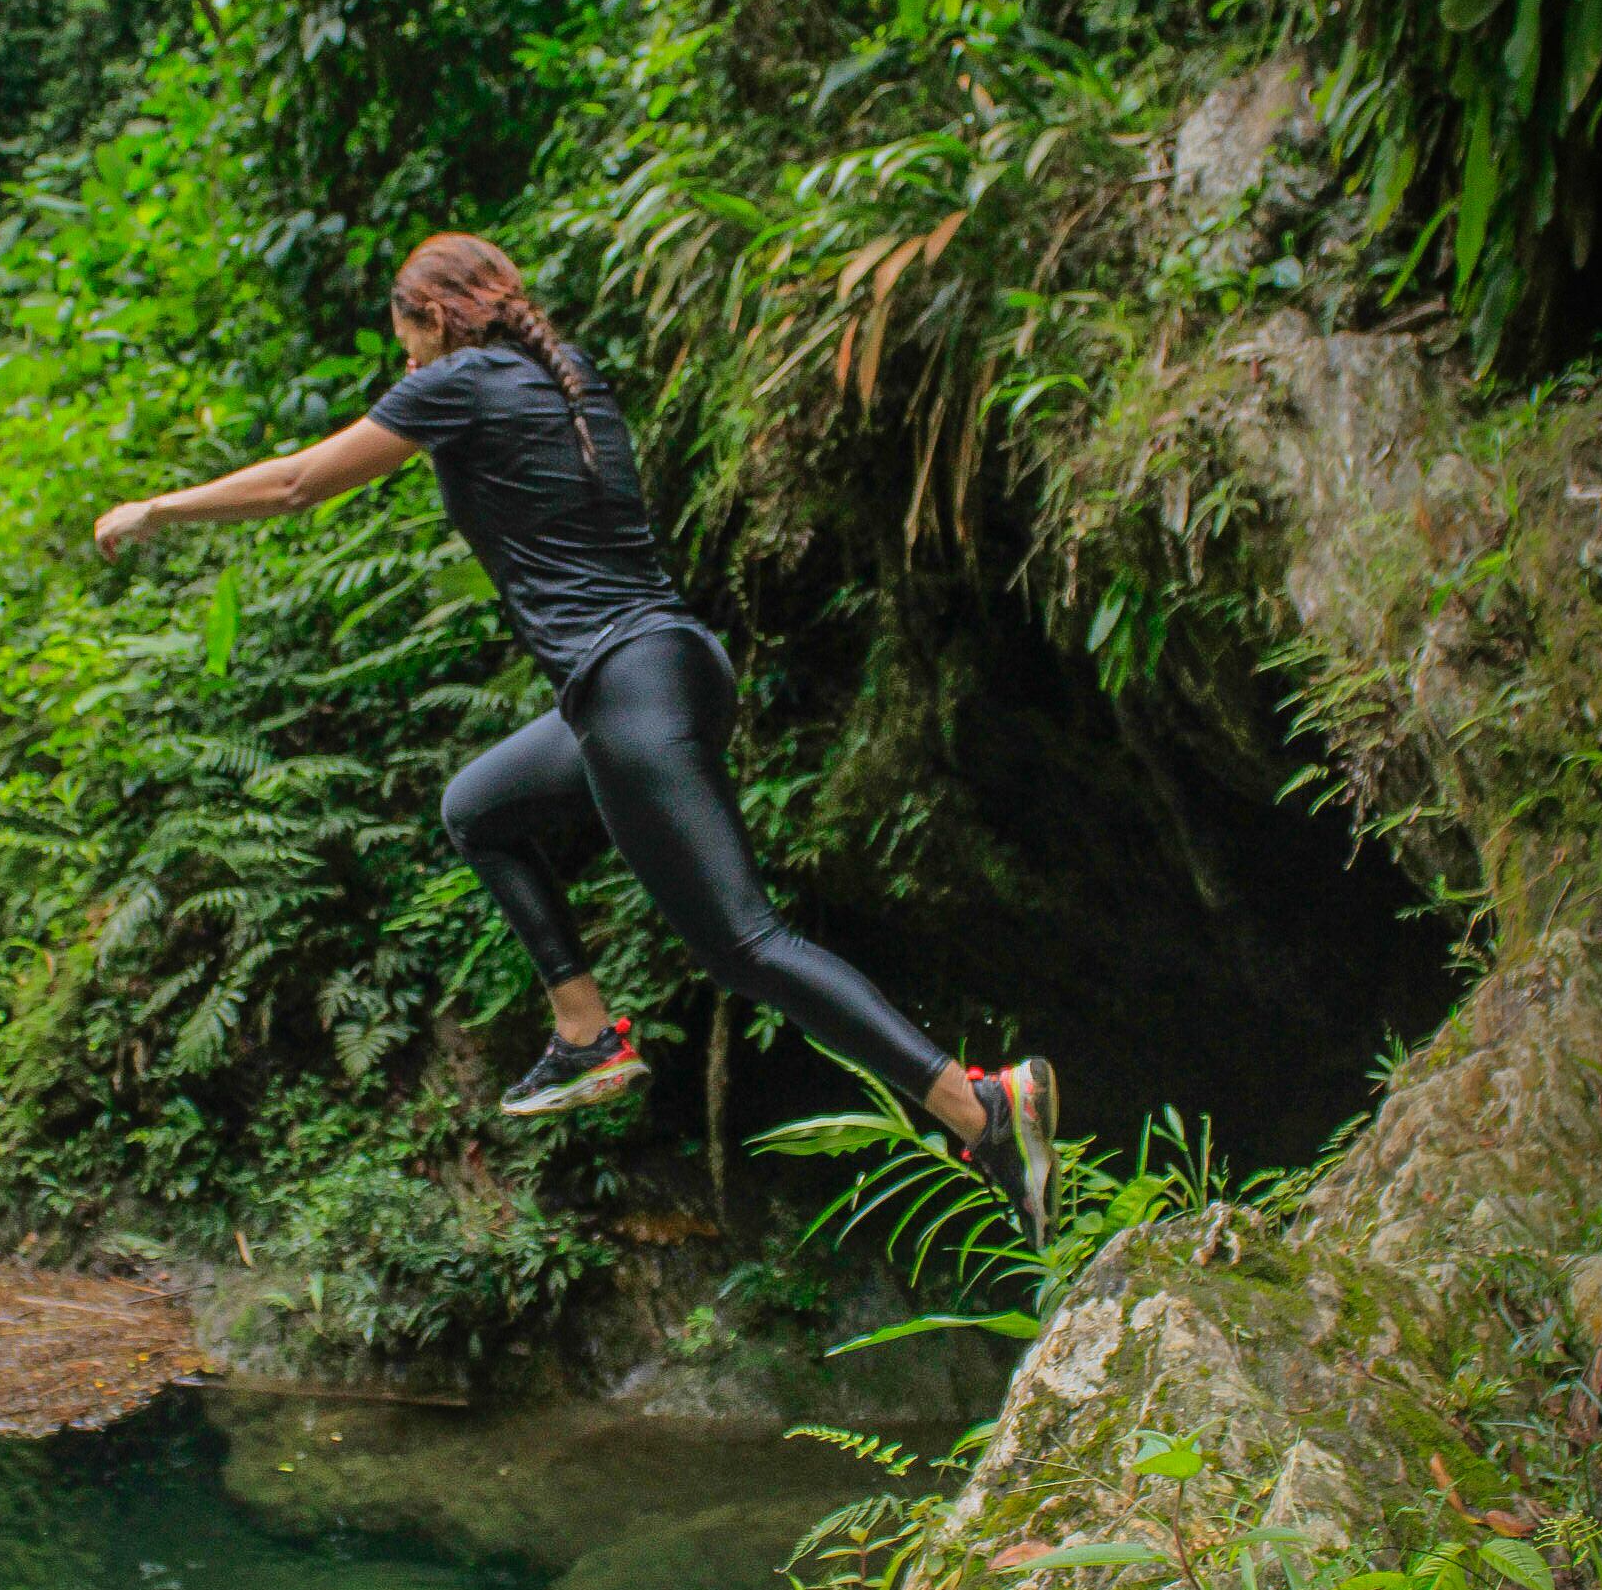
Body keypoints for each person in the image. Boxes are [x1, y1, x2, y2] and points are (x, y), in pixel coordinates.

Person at [93, 233, 1060, 1247]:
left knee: (747, 944)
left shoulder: (460, 383)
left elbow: (298, 483)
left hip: (629, 687)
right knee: (478, 810)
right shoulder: (565, 377)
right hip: (662, 673)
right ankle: (585, 1032)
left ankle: (976, 1108)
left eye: (407, 348)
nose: (407, 372)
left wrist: (160, 507)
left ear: (435, 317)